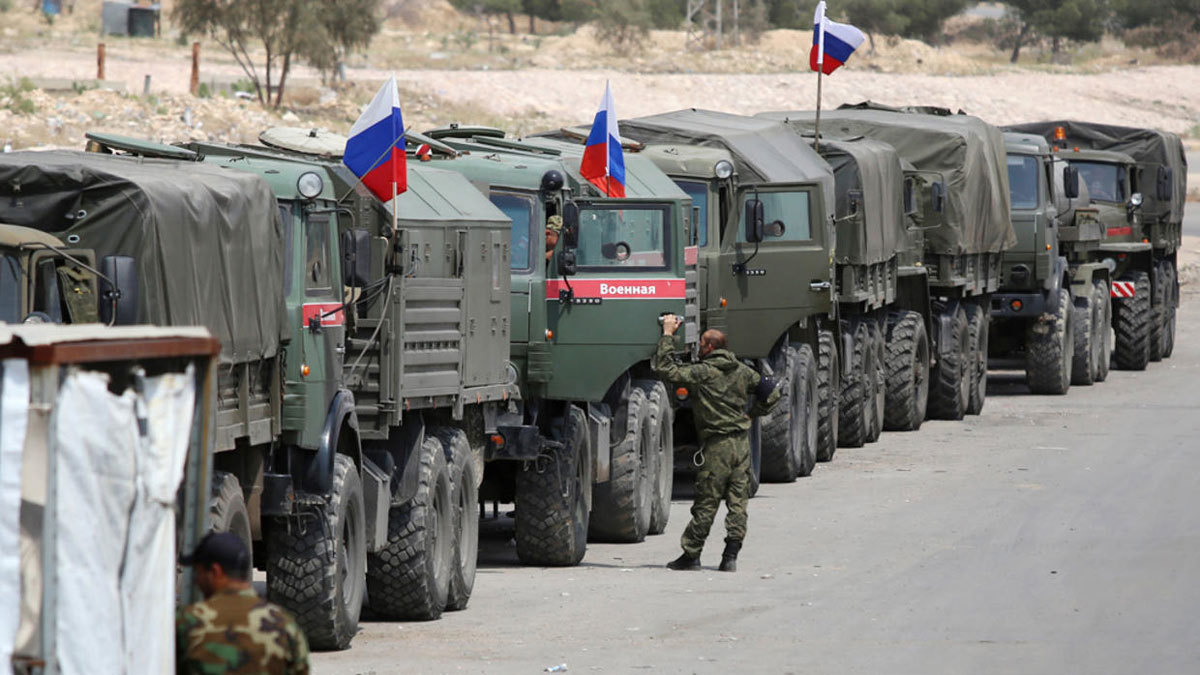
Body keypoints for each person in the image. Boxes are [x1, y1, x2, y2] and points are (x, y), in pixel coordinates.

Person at [653, 316, 780, 572]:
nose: (699, 347)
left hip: (717, 446)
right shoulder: (744, 372)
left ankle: (692, 554)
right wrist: (752, 414)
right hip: (741, 446)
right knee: (737, 502)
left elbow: (665, 369)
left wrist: (668, 335)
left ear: (709, 348)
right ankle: (730, 556)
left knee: (706, 502)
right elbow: (772, 391)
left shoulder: (704, 373)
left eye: (701, 343)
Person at [176, 532, 310, 675]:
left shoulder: (187, 622)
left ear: (216, 572)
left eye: (199, 573)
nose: (196, 581)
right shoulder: (284, 625)